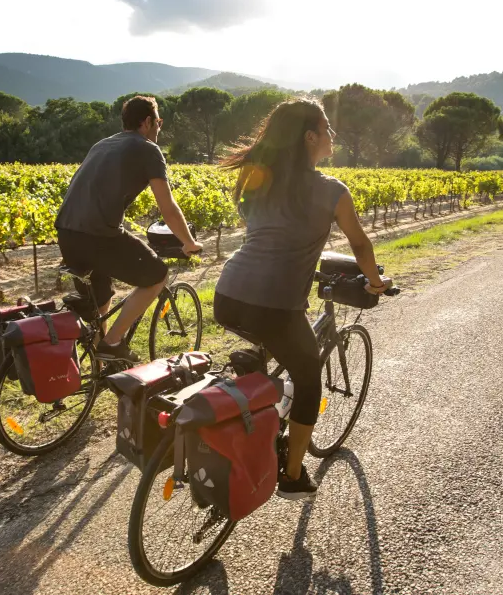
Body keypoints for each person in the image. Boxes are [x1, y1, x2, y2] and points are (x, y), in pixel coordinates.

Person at [214, 99, 390, 501]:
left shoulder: (260, 177)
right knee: (308, 377)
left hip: (228, 295)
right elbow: (360, 246)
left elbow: (268, 236)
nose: (333, 134)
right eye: (327, 128)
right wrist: (376, 281)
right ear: (310, 137)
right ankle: (292, 475)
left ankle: (253, 376)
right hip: (274, 305)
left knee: (271, 342)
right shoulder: (331, 190)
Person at [55, 96, 202, 362]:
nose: (159, 128)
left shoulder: (102, 144)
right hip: (98, 235)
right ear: (147, 122)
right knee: (157, 274)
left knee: (102, 295)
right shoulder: (147, 149)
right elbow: (167, 207)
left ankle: (101, 364)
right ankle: (112, 342)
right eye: (158, 122)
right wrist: (188, 242)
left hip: (66, 232)